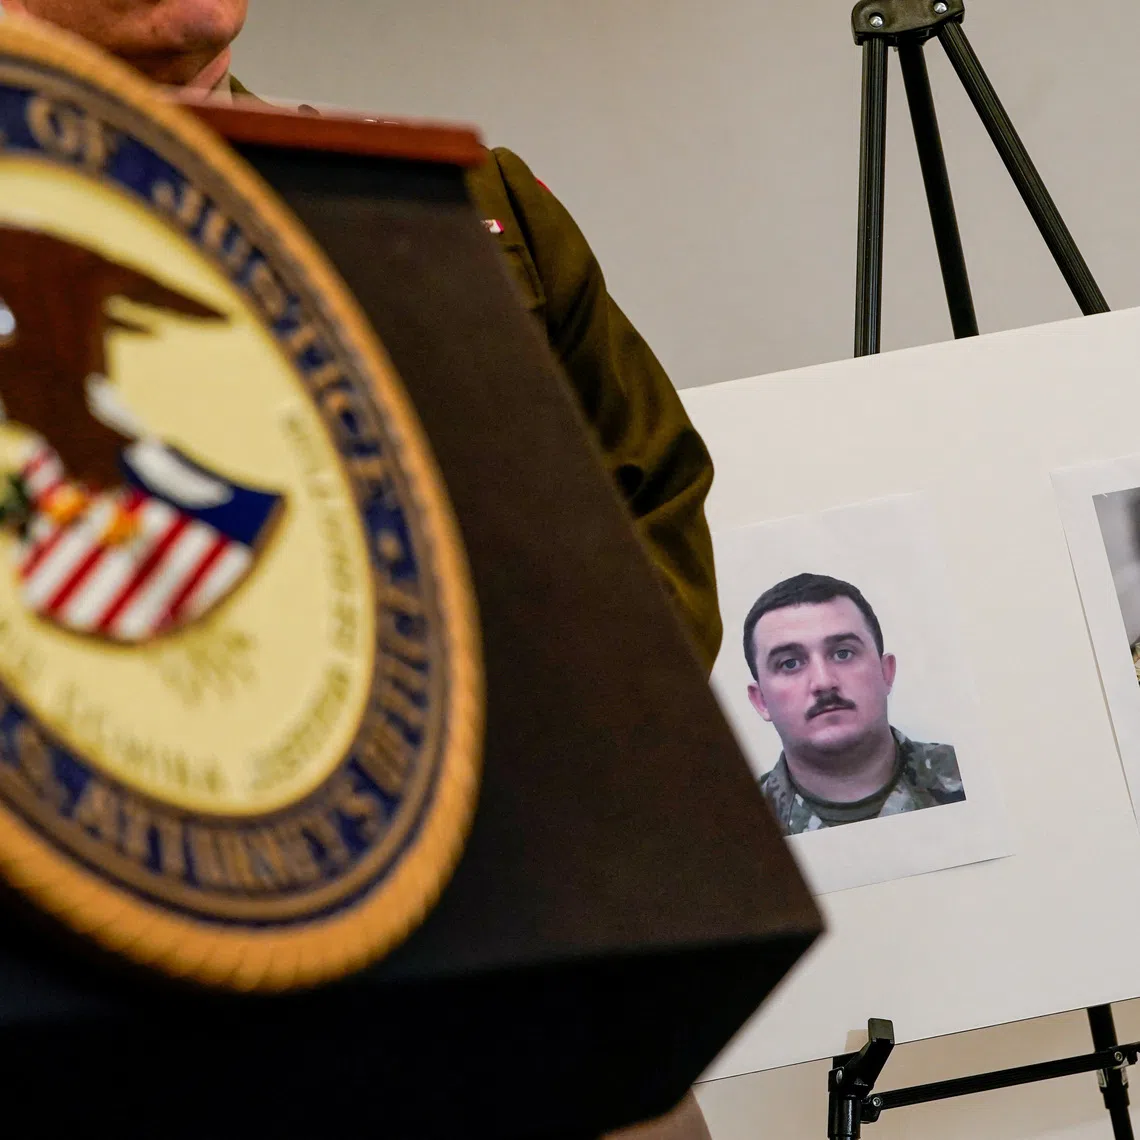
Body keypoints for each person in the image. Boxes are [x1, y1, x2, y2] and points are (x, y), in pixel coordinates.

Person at [1, 2, 720, 1136]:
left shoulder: (448, 197)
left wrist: (546, 774)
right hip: (146, 1037)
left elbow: (651, 494)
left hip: (539, 992)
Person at [743, 572, 965, 836]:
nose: (824, 682)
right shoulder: (734, 830)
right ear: (761, 701)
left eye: (843, 653)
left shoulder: (976, 778)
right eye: (790, 663)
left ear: (886, 673)